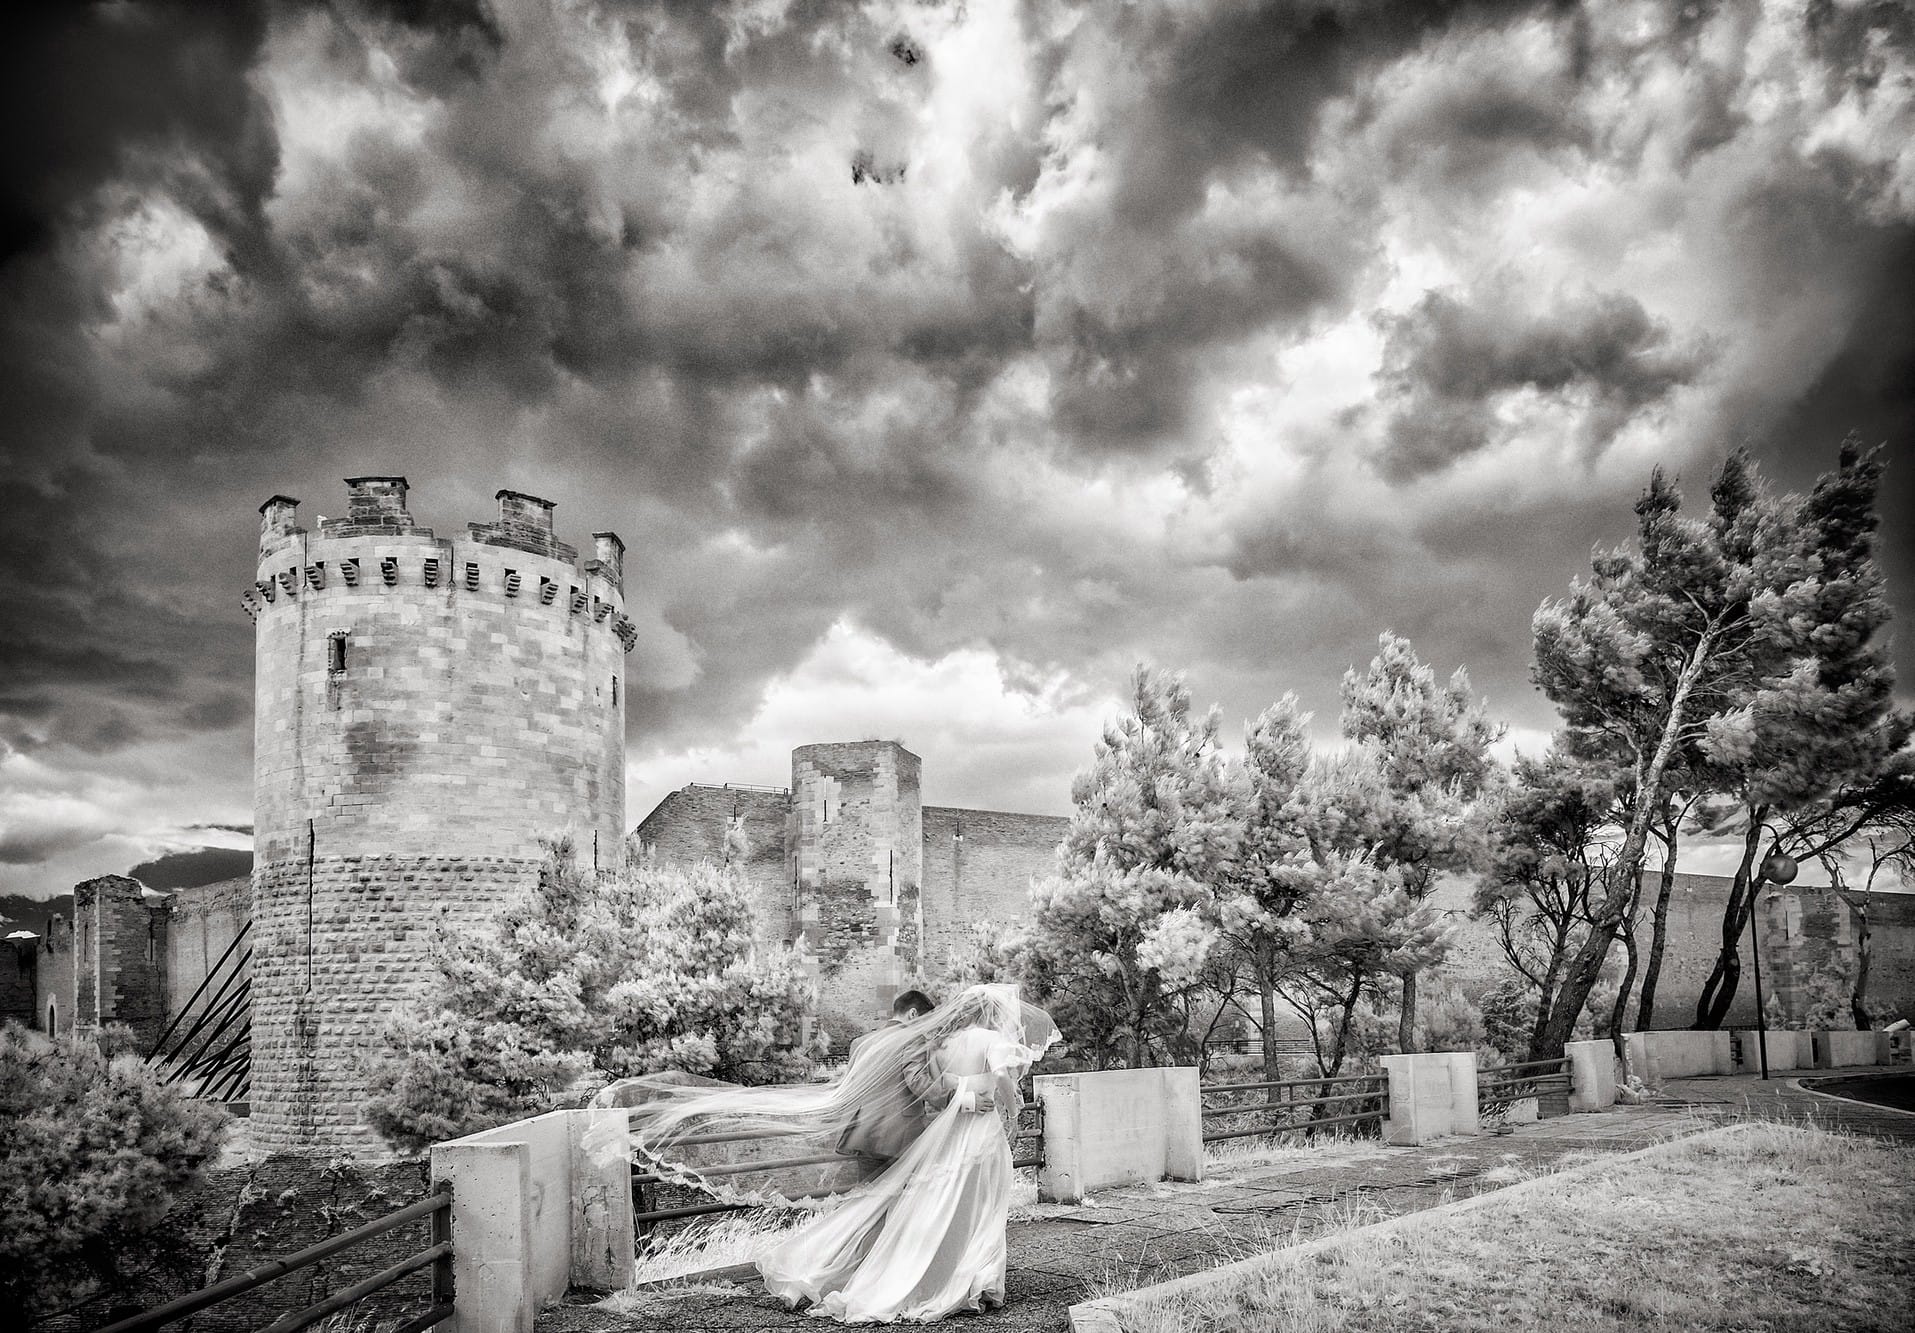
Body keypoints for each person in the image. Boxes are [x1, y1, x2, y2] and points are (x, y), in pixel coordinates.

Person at [599, 983, 1058, 1324]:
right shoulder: (916, 1041)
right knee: (897, 1218)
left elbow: (859, 1091)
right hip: (903, 1142)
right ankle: (863, 1277)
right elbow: (922, 1087)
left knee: (875, 1212)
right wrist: (966, 1095)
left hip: (862, 1139)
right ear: (916, 1012)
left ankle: (848, 1272)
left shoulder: (865, 1041)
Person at [837, 989, 994, 1176]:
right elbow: (918, 1081)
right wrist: (961, 1099)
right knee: (903, 1200)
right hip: (899, 1137)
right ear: (913, 1014)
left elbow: (850, 1090)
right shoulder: (912, 1039)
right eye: (926, 1019)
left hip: (863, 1134)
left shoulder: (861, 1043)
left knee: (867, 1198)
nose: (927, 1027)